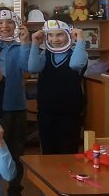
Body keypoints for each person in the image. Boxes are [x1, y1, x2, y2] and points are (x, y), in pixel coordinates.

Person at [0, 7, 32, 196]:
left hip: (17, 107)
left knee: (16, 154)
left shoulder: (20, 45)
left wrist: (25, 43)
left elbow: (28, 68)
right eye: (0, 22)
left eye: (9, 22)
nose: (5, 26)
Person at [28, 20, 87, 155]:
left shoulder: (77, 52)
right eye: (50, 35)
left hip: (70, 113)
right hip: (46, 111)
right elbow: (32, 67)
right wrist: (35, 43)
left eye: (59, 34)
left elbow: (76, 64)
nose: (54, 39)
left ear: (68, 34)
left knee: (68, 152)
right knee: (48, 152)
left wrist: (80, 39)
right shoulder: (45, 54)